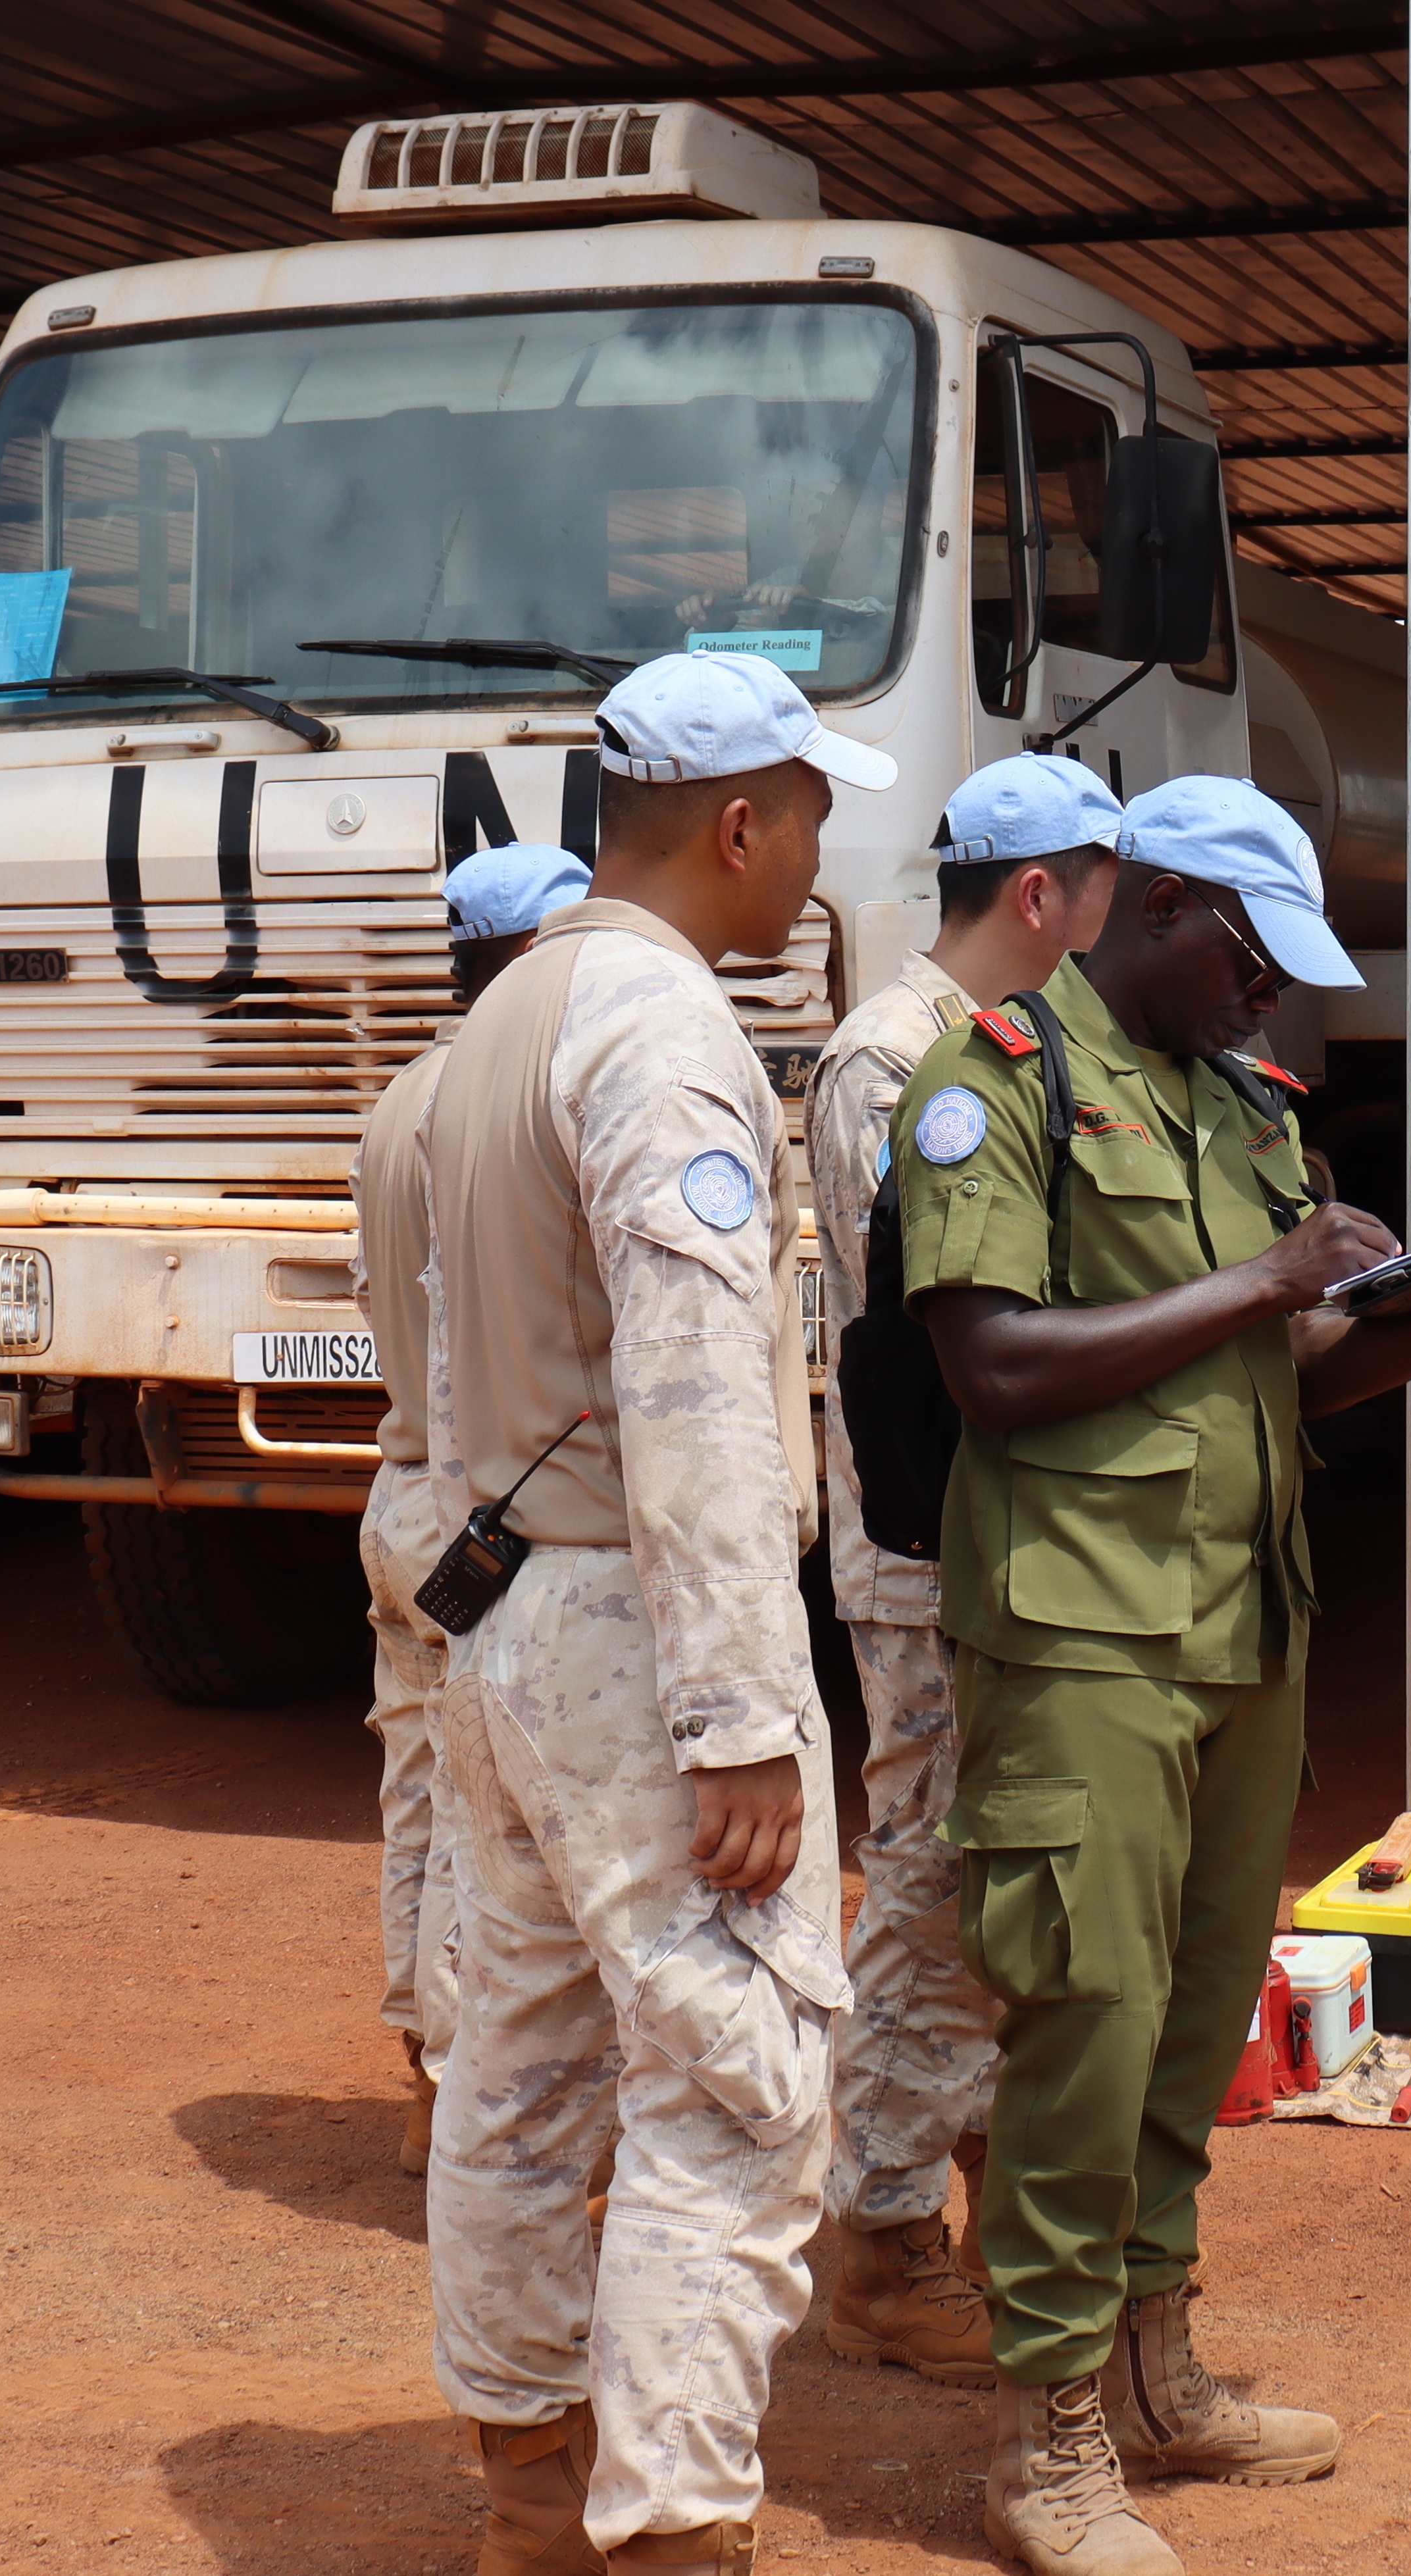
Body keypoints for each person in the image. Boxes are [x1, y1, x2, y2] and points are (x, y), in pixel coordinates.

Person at [890, 775, 1411, 2576]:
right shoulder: (995, 1084)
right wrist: (1271, 1281)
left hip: (1239, 1628)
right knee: (1080, 2020)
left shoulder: (1244, 1106)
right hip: (1077, 1636)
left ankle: (1157, 2365)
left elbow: (1299, 1363)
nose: (1272, 1004)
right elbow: (991, 1364)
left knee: (1190, 2019)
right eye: (1250, 962)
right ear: (1153, 908)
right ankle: (1046, 2436)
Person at [417, 651, 902, 2571]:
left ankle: (530, 2491)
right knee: (738, 2090)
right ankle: (675, 2534)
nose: (820, 848)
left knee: (523, 2066)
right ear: (737, 821)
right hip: (640, 1634)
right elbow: (697, 1392)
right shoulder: (663, 1028)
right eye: (809, 811)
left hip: (507, 1622)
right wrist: (743, 1718)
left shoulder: (506, 1014)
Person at [809, 755, 1125, 2385]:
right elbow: (943, 1317)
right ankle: (873, 2230)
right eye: (1100, 885)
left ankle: (984, 2183)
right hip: (925, 1541)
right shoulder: (894, 1061)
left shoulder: (1003, 1041)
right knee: (930, 1879)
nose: (1107, 916)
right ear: (1036, 894)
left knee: (993, 1872)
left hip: (995, 1534)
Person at [355, 840, 598, 2177]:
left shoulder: (402, 1100)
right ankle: (468, 2095)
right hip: (480, 1513)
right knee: (490, 1814)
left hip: (402, 1501)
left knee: (420, 1789)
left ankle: (423, 2064)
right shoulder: (510, 1108)